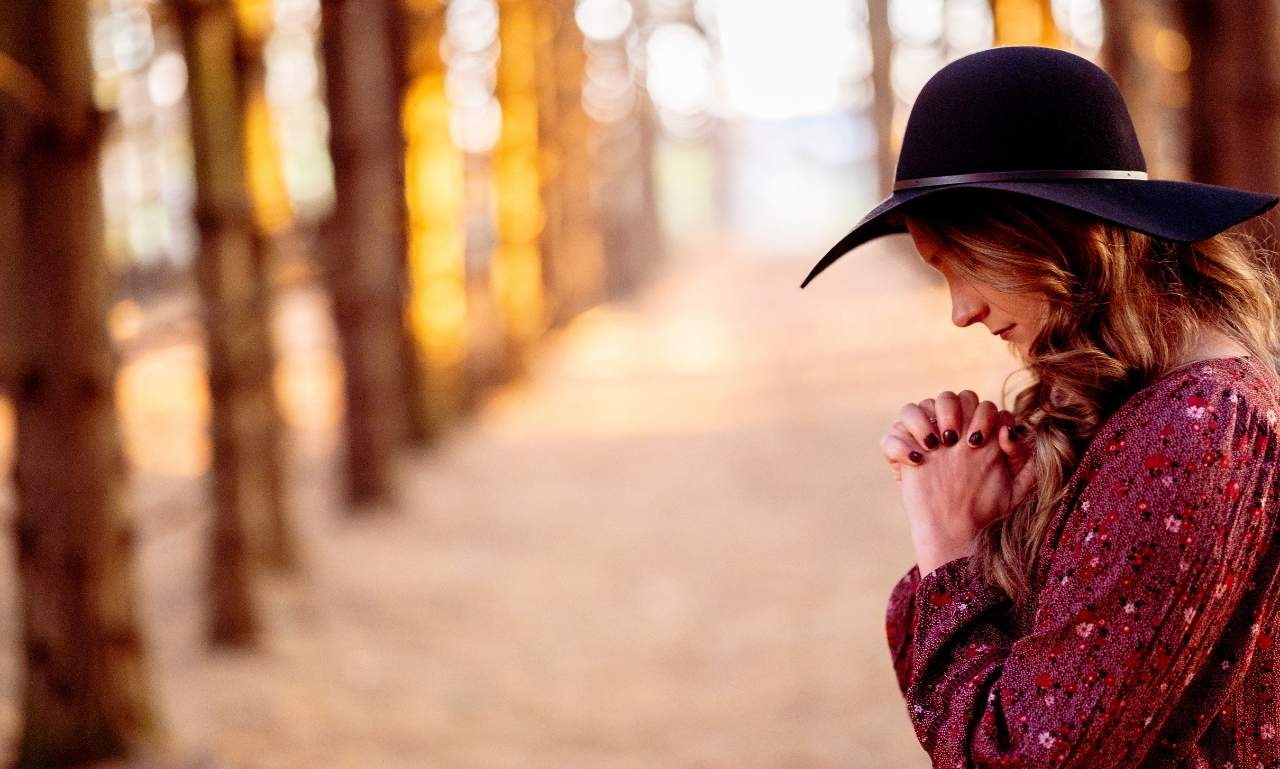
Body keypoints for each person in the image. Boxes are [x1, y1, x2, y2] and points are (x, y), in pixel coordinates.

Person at [798, 46, 1280, 766]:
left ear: (1047, 233)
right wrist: (998, 530)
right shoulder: (1158, 408)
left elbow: (1019, 753)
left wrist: (951, 547)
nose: (961, 310)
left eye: (964, 260)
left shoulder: (1194, 428)